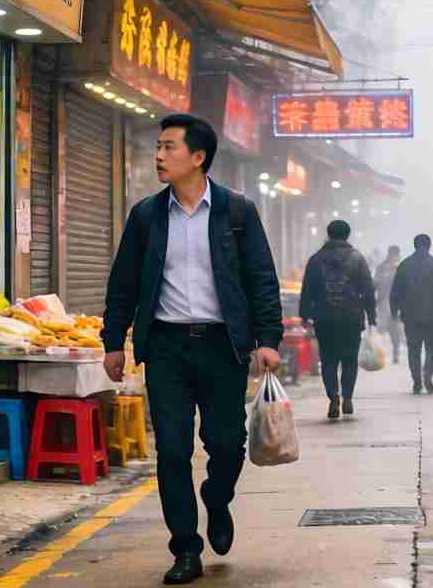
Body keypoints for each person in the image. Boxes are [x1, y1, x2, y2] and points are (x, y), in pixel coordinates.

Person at [101, 114, 281, 586]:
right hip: (166, 348)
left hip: (223, 347)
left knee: (227, 445)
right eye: (157, 147)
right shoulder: (146, 216)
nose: (158, 156)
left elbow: (261, 278)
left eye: (169, 147)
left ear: (198, 157)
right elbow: (123, 283)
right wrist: (113, 342)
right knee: (172, 450)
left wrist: (268, 339)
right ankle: (184, 547)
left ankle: (217, 499)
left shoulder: (236, 212)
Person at [299, 220, 376, 419]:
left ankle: (333, 398)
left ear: (329, 234)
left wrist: (305, 315)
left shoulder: (316, 259)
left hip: (324, 318)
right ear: (347, 234)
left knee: (328, 360)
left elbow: (307, 289)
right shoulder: (358, 258)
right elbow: (368, 289)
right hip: (351, 318)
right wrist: (371, 315)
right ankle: (347, 397)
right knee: (350, 360)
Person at [389, 234, 433, 395]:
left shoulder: (404, 265)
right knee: (432, 348)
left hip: (410, 316)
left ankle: (417, 381)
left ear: (415, 245)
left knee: (414, 349)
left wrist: (394, 311)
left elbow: (395, 291)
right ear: (429, 245)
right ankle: (428, 375)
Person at [375, 246, 403, 364]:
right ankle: (378, 354)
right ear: (392, 254)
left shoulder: (399, 267)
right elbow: (375, 283)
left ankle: (395, 352)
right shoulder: (382, 267)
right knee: (382, 329)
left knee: (394, 330)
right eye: (396, 255)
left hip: (394, 304)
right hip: (384, 303)